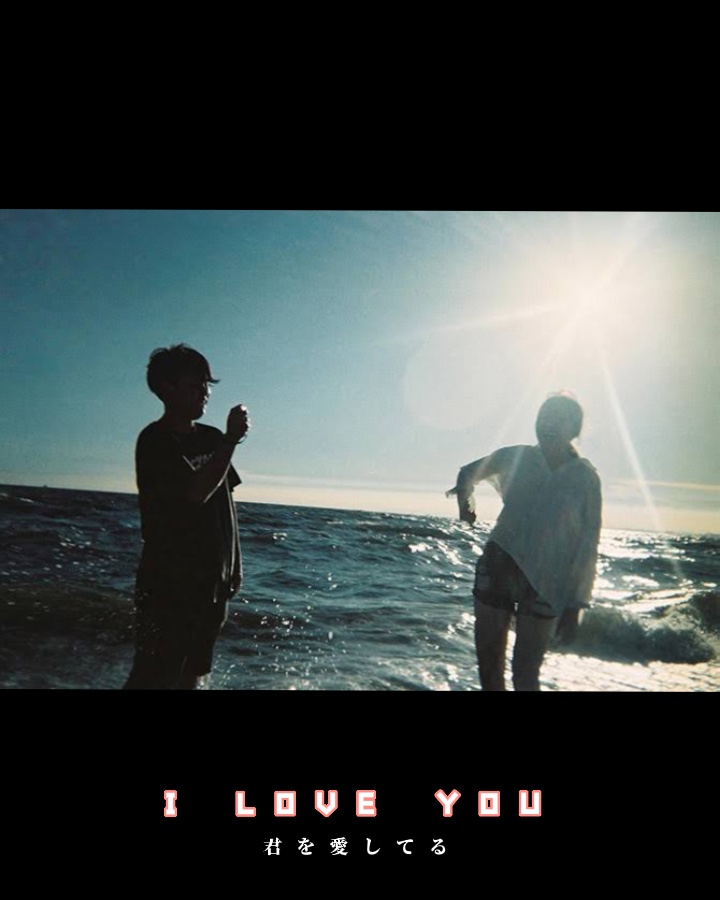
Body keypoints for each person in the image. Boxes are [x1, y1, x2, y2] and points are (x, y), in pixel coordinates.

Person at [446, 392, 602, 691]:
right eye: (543, 417)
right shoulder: (517, 456)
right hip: (500, 563)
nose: (547, 424)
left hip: (547, 580)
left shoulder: (585, 478)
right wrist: (466, 507)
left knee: (526, 674)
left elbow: (588, 542)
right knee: (490, 669)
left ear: (574, 428)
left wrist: (576, 604)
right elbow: (467, 473)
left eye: (558, 418)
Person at [124, 344, 250, 690]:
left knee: (192, 673)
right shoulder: (155, 440)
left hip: (210, 580)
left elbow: (226, 504)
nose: (204, 392)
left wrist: (233, 565)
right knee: (152, 675)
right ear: (167, 388)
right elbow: (196, 493)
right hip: (168, 581)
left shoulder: (210, 437)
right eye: (195, 385)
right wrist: (231, 441)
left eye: (206, 385)